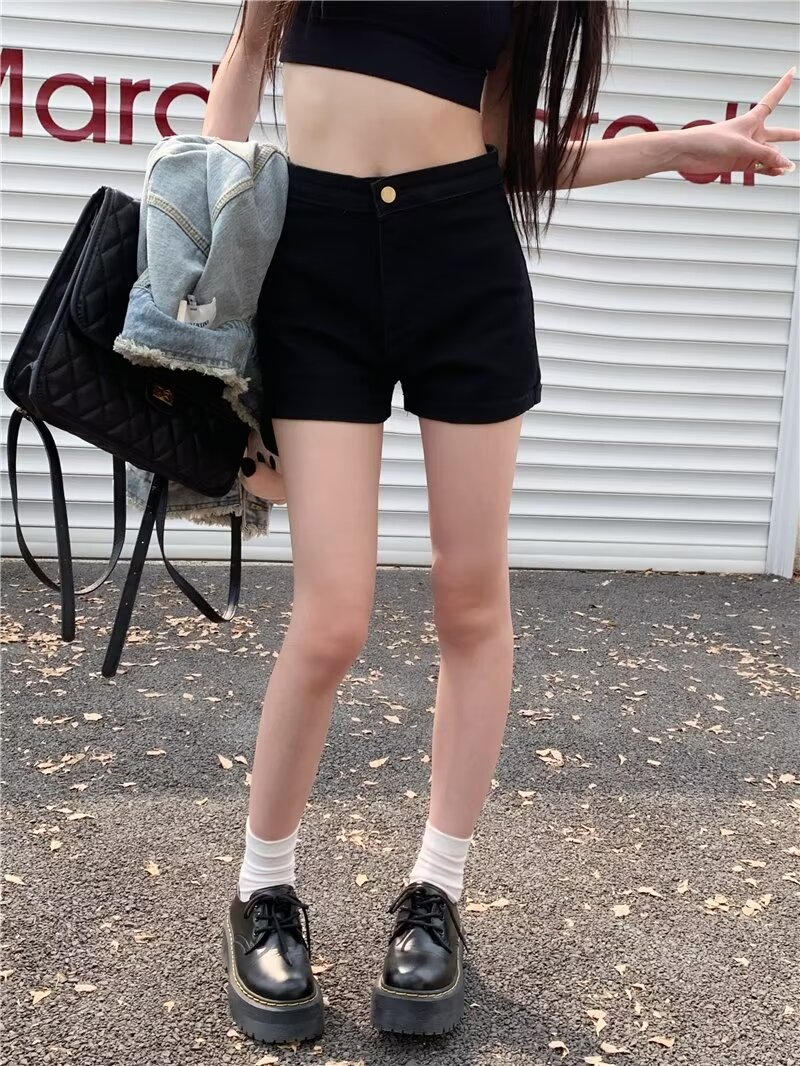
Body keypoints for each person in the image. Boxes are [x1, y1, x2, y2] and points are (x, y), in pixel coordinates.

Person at [202, 0, 796, 1045]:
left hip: (460, 260)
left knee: (471, 601)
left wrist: (673, 149)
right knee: (331, 617)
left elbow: (503, 149)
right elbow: (247, 57)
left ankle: (435, 891)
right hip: (313, 260)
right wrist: (209, 285)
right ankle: (263, 887)